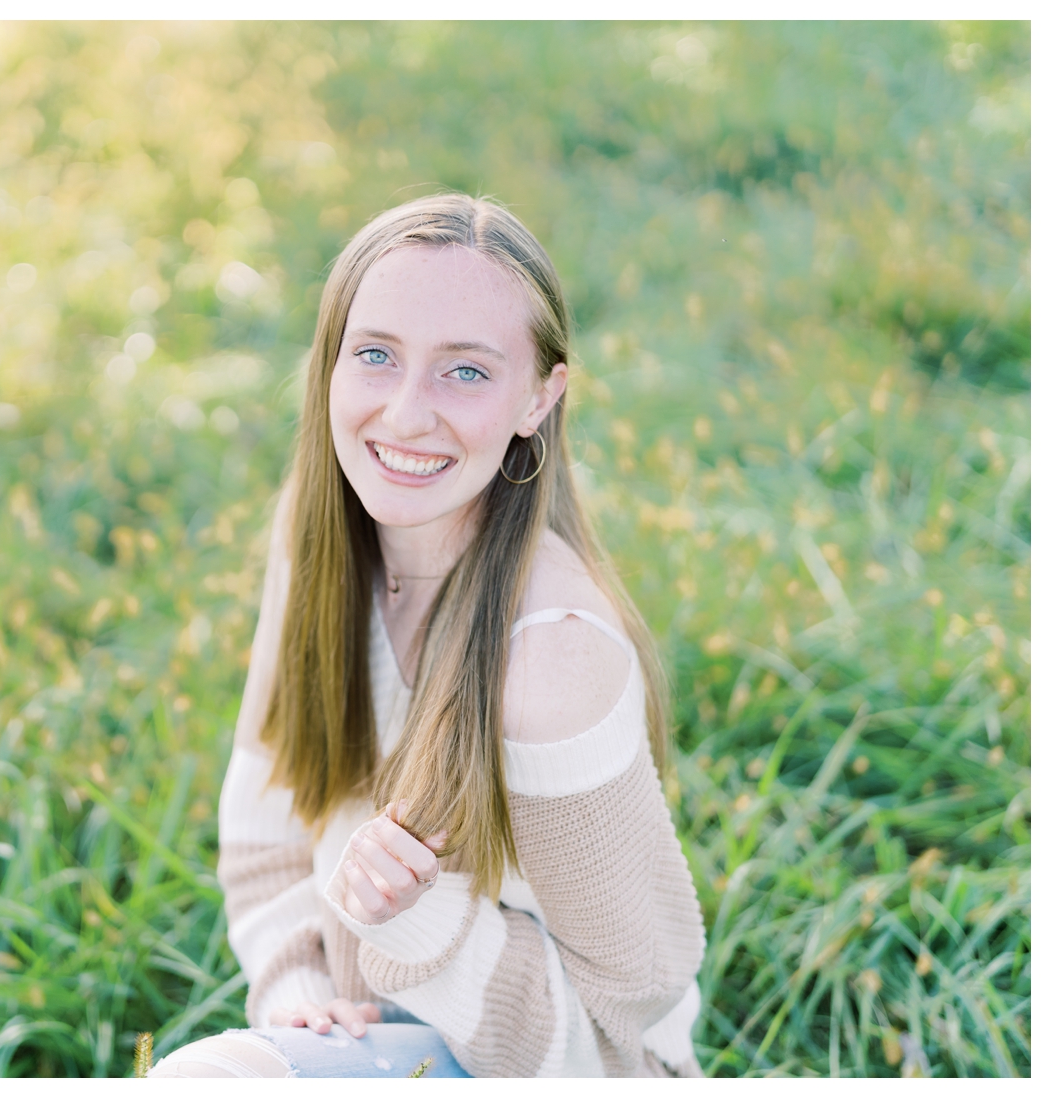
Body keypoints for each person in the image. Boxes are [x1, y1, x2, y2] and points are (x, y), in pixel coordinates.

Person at [151, 193, 706, 1078]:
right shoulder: (321, 533)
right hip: (372, 1028)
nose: (407, 415)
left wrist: (421, 924)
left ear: (540, 397)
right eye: (376, 355)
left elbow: (619, 1037)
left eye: (466, 372)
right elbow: (268, 831)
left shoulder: (549, 663)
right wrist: (294, 992)